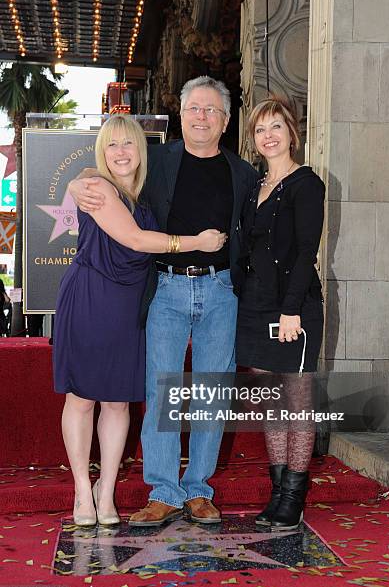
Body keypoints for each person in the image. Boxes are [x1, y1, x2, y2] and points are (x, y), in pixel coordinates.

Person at [69, 76, 258, 526]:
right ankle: (163, 491)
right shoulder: (156, 160)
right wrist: (79, 181)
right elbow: (108, 169)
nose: (201, 116)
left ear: (226, 121)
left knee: (214, 391)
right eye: (193, 108)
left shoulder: (244, 175)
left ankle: (197, 489)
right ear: (181, 114)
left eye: (211, 110)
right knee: (162, 391)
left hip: (220, 290)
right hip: (166, 289)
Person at [235, 97, 325, 530]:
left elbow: (307, 250)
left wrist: (292, 311)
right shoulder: (255, 186)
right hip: (255, 307)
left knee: (298, 404)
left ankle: (294, 496)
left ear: (292, 132)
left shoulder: (308, 184)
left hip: (295, 308)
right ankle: (277, 494)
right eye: (260, 130)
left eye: (276, 127)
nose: (268, 136)